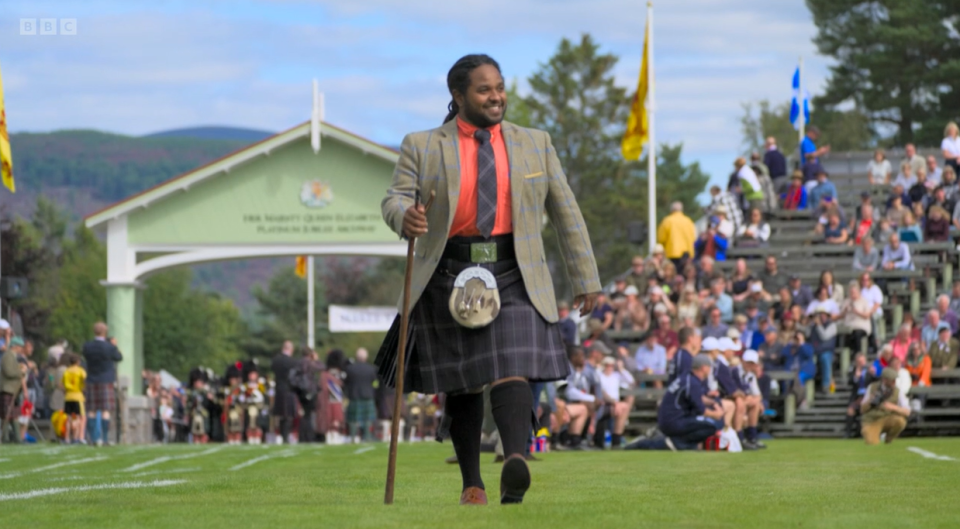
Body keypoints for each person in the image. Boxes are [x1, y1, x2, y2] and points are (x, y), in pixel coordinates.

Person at [377, 54, 601, 506]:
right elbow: (394, 197)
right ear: (458, 96)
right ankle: (472, 485)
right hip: (447, 272)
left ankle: (514, 461)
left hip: (516, 271)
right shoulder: (422, 144)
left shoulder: (535, 142)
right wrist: (406, 217)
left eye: (499, 86)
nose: (496, 95)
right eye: (484, 89)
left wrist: (585, 278)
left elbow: (566, 212)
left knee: (512, 366)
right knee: (464, 380)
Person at [625, 354, 724, 451]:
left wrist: (712, 403)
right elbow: (701, 409)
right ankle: (677, 444)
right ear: (704, 368)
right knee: (711, 427)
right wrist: (716, 414)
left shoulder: (688, 378)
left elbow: (697, 397)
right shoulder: (692, 382)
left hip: (670, 420)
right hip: (674, 422)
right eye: (709, 367)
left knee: (704, 424)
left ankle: (679, 444)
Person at [81, 322, 123, 447]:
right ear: (105, 332)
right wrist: (114, 346)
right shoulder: (109, 347)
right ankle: (104, 439)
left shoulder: (87, 346)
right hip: (106, 380)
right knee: (105, 410)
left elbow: (85, 356)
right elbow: (119, 357)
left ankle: (94, 438)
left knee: (92, 410)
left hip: (92, 379)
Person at [859, 368, 911, 445]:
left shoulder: (898, 391)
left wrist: (893, 407)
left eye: (895, 380)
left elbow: (907, 412)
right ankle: (873, 435)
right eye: (892, 380)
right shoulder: (872, 387)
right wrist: (870, 400)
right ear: (884, 380)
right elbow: (862, 410)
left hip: (888, 418)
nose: (894, 382)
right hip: (872, 420)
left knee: (900, 421)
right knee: (872, 443)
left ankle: (888, 439)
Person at [596, 356, 635, 449]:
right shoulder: (600, 376)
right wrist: (615, 403)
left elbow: (631, 381)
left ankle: (616, 440)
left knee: (626, 404)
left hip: (615, 405)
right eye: (607, 365)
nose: (610, 368)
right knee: (623, 408)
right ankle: (616, 440)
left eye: (612, 366)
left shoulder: (616, 376)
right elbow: (601, 392)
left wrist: (621, 369)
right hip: (603, 404)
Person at [343, 348, 378, 442]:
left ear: (357, 357)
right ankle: (367, 436)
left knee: (353, 419)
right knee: (367, 419)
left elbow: (346, 383)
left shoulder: (350, 369)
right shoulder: (372, 369)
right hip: (368, 396)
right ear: (366, 357)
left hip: (354, 396)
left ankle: (353, 437)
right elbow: (375, 383)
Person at [271, 340, 300, 444]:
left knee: (282, 415)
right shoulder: (293, 362)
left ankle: (283, 436)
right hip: (289, 389)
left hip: (279, 389)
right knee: (288, 415)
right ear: (291, 349)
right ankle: (286, 437)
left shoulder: (275, 360)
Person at [657, 201, 696, 269]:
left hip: (671, 252)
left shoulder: (667, 220)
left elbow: (661, 238)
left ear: (671, 210)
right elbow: (693, 237)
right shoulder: (688, 221)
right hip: (687, 253)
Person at [1, 336, 24, 443]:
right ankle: (5, 438)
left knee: (14, 414)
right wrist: (21, 372)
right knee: (6, 414)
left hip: (14, 390)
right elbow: (9, 371)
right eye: (20, 347)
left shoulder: (13, 356)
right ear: (14, 346)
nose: (21, 349)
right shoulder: (8, 356)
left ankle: (17, 438)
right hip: (8, 389)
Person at [62, 353, 87, 445]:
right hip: (78, 396)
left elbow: (63, 384)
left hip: (68, 396)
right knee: (80, 417)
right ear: (78, 362)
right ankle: (77, 437)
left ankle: (67, 437)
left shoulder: (66, 371)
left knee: (68, 418)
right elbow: (84, 380)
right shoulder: (80, 371)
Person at [845, 353, 869, 438]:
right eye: (859, 362)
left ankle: (861, 432)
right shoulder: (853, 371)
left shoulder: (870, 370)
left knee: (864, 410)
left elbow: (875, 381)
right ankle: (848, 433)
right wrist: (856, 376)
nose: (861, 363)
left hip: (867, 397)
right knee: (850, 410)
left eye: (862, 361)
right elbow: (850, 382)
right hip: (856, 397)